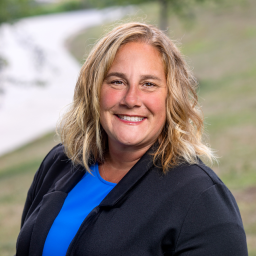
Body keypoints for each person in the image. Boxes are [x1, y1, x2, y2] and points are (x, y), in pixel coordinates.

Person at [15, 22, 248, 256]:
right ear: (94, 90)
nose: (131, 99)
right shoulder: (60, 162)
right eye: (117, 81)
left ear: (171, 97)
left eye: (148, 84)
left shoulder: (202, 199)